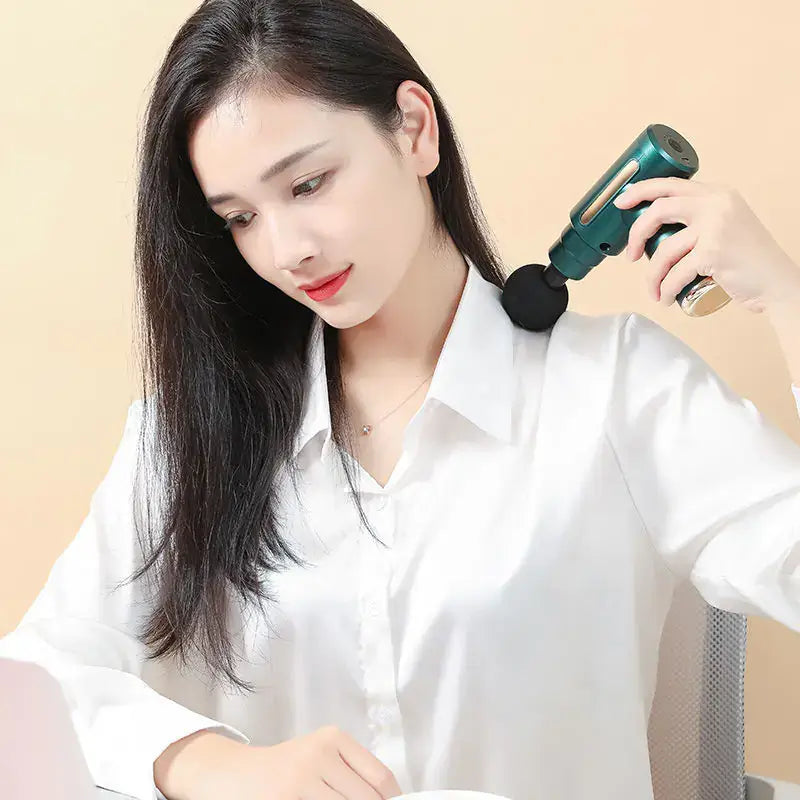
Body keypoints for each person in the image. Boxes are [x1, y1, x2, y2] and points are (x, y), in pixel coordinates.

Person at [2, 0, 800, 798]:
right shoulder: (189, 434)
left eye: (308, 184)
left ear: (415, 129)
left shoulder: (614, 389)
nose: (286, 250)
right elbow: (36, 677)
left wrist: (788, 299)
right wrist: (209, 763)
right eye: (241, 218)